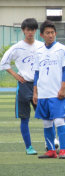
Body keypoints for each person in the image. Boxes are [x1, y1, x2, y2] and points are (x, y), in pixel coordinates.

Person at [0, 18, 43, 155]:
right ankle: (29, 147)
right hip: (24, 86)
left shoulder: (42, 46)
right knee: (25, 118)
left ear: (36, 30)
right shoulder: (17, 47)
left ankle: (51, 144)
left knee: (47, 116)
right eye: (27, 29)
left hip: (40, 86)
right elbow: (3, 63)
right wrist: (15, 75)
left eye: (33, 29)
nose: (30, 32)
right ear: (23, 30)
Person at [32, 20, 65, 159]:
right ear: (42, 35)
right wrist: (35, 92)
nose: (50, 35)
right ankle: (51, 151)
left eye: (52, 33)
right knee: (46, 123)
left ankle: (63, 150)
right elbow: (36, 73)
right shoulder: (39, 52)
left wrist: (62, 89)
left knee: (59, 121)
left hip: (57, 92)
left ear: (55, 33)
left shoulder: (62, 49)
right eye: (47, 33)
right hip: (42, 93)